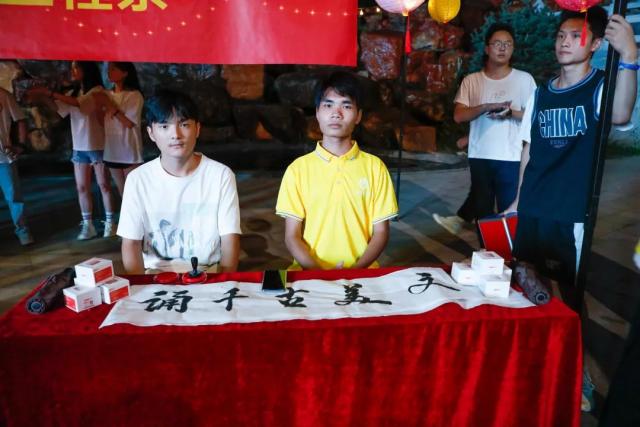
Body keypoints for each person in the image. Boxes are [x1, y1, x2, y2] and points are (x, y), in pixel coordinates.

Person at [505, 7, 637, 412]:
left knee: (568, 297)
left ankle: (574, 374)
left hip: (571, 212)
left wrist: (630, 54)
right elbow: (529, 150)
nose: (564, 41)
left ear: (595, 45)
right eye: (561, 35)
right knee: (526, 286)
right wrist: (517, 200)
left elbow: (620, 113)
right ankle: (529, 362)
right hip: (533, 206)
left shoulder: (599, 86)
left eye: (575, 36)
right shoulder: (541, 93)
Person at [276, 71, 398, 270]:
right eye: (328, 105)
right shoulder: (298, 169)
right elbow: (292, 235)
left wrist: (355, 271)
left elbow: (381, 233)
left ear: (358, 116)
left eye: (346, 106)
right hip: (309, 273)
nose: (336, 113)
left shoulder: (375, 168)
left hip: (362, 273)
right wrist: (319, 274)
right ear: (317, 112)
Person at [117, 89, 241, 274]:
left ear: (197, 129)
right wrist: (140, 286)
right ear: (151, 133)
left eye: (184, 124)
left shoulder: (221, 175)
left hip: (208, 275)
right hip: (155, 276)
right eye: (164, 126)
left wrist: (223, 284)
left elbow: (230, 239)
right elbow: (131, 243)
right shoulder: (137, 179)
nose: (175, 134)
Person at [453, 23, 537, 223]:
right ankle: (485, 244)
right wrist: (485, 107)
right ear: (487, 48)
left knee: (509, 213)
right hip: (479, 156)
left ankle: (509, 244)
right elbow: (459, 116)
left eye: (508, 44)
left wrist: (511, 113)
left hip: (511, 157)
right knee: (483, 216)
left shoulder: (524, 80)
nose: (502, 48)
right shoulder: (472, 81)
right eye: (497, 43)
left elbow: (535, 117)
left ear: (513, 49)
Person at [33, 61, 116, 240]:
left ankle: (110, 222)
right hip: (79, 147)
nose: (73, 71)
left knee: (104, 185)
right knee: (81, 187)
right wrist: (42, 97)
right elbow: (60, 109)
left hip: (98, 144)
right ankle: (88, 225)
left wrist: (49, 92)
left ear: (86, 70)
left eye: (76, 67)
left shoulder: (97, 92)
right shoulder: (76, 92)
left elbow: (79, 104)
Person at [99, 62, 144, 196]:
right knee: (121, 191)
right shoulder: (106, 94)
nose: (109, 72)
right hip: (112, 151)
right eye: (108, 69)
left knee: (132, 193)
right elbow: (102, 122)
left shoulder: (134, 95)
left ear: (125, 73)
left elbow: (129, 123)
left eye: (113, 69)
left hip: (129, 151)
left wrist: (108, 104)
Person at [0, 87, 33, 245]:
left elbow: (20, 119)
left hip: (3, 156)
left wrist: (21, 145)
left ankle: (23, 232)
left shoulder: (3, 95)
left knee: (14, 196)